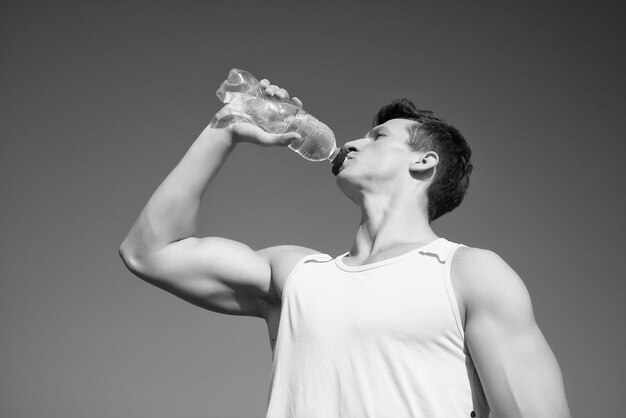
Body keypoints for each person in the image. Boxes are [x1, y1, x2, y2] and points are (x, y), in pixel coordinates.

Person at [119, 78, 571, 417]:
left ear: (424, 161)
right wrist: (225, 130)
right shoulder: (296, 275)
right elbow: (148, 252)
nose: (352, 142)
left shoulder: (469, 273)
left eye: (378, 137)